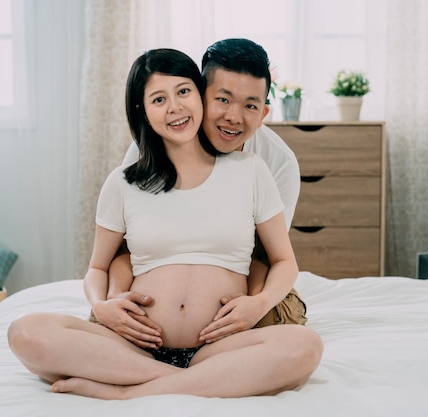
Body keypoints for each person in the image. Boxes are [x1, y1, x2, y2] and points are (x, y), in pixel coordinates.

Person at [8, 48, 322, 399]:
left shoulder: (253, 169)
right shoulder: (123, 182)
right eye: (159, 99)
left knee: (304, 346)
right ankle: (190, 379)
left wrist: (257, 305)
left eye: (183, 92)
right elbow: (99, 265)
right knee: (26, 332)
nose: (175, 107)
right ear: (143, 110)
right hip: (137, 345)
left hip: (220, 346)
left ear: (197, 95)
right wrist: (102, 305)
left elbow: (281, 260)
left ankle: (131, 390)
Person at [100, 38, 306, 349]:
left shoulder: (275, 164)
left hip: (247, 286)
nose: (233, 117)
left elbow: (266, 257)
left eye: (249, 105)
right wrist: (116, 299)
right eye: (222, 100)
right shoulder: (151, 151)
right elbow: (124, 250)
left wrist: (249, 310)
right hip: (150, 300)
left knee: (294, 345)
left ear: (263, 112)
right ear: (199, 95)